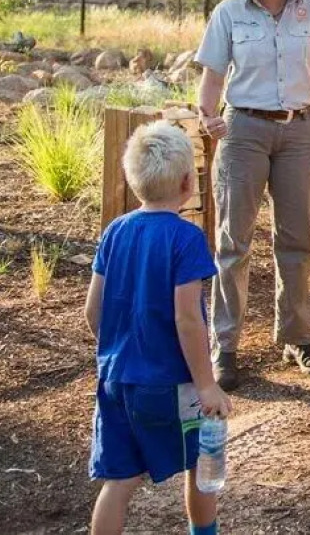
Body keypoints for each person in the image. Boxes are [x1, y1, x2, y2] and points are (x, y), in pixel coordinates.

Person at [194, 0, 310, 391]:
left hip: (299, 131)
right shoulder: (229, 14)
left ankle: (297, 338)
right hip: (244, 130)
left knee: (297, 239)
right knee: (233, 242)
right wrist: (206, 117)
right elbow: (213, 77)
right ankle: (226, 346)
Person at [85, 121, 230, 535]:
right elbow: (188, 318)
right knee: (200, 462)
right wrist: (206, 385)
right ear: (188, 183)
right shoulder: (186, 239)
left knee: (120, 479)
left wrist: (118, 351)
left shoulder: (115, 232)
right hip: (170, 384)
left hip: (115, 380)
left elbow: (92, 312)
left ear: (135, 182)